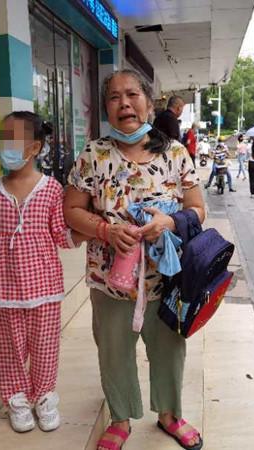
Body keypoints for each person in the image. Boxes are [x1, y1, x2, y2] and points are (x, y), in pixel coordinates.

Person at [64, 69, 205, 450]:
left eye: (132, 94)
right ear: (105, 107)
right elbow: (71, 210)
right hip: (109, 279)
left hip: (167, 279)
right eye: (114, 97)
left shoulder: (175, 153)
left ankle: (170, 415)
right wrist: (105, 230)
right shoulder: (93, 155)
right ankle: (121, 418)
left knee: (169, 351)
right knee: (114, 352)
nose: (124, 103)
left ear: (148, 102)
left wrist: (170, 221)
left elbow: (197, 209)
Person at [0, 111, 85, 433]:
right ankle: (16, 399)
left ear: (34, 147)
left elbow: (59, 234)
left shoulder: (52, 189)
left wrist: (89, 231)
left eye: (12, 139)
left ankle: (44, 397)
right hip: (6, 288)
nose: (5, 145)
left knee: (45, 347)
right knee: (10, 349)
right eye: (2, 138)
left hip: (45, 285)